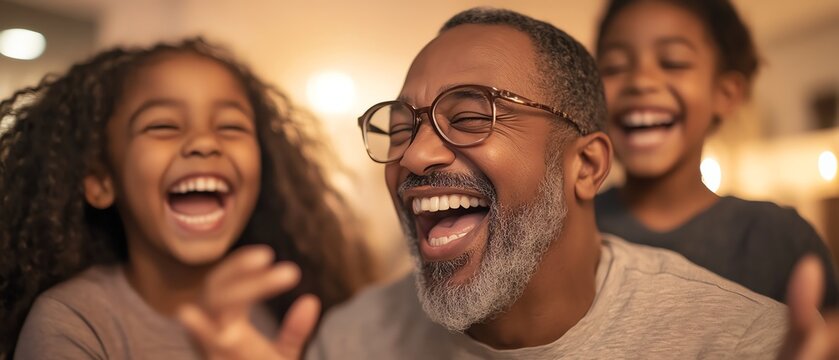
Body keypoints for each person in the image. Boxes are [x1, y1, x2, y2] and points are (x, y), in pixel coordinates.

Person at [179, 8, 839, 359]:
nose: (414, 155)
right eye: (401, 125)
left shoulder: (738, 343)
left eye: (469, 116)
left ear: (585, 166)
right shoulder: (351, 341)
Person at [0, 38, 375, 359]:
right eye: (162, 125)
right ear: (101, 181)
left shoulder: (284, 315)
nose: (204, 142)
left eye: (231, 126)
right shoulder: (72, 319)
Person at [593, 0, 839, 307]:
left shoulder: (778, 238)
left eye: (673, 62)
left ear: (725, 94)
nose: (640, 81)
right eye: (614, 67)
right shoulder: (570, 228)